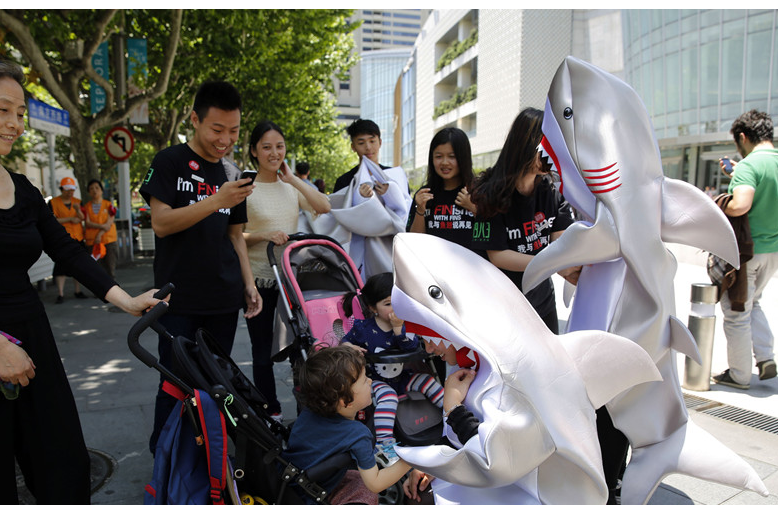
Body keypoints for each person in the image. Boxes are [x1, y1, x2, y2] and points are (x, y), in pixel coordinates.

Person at [0, 59, 165, 505]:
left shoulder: (24, 189)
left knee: (62, 461)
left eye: (19, 113)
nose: (14, 124)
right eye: (3, 111)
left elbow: (69, 252)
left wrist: (126, 300)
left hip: (31, 334)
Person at [140, 80, 261, 453]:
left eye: (234, 131)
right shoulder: (169, 162)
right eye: (217, 129)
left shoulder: (232, 171)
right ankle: (164, 461)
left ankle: (209, 459)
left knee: (217, 384)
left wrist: (248, 284)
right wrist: (215, 200)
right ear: (195, 120)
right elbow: (160, 222)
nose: (225, 139)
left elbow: (235, 236)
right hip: (178, 299)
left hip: (223, 299)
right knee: (175, 383)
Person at [243, 120, 331, 420]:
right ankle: (271, 412)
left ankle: (307, 411)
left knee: (302, 348)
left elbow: (324, 207)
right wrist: (264, 235)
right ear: (254, 151)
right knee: (262, 351)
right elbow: (234, 235)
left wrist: (292, 179)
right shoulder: (245, 188)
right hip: (260, 281)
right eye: (266, 147)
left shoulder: (291, 187)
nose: (274, 153)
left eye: (279, 146)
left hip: (292, 283)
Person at [470, 107, 579, 334]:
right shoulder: (487, 193)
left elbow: (560, 243)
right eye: (543, 147)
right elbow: (497, 256)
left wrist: (566, 266)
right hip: (503, 304)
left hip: (543, 300)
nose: (549, 154)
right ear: (524, 144)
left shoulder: (552, 190)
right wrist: (551, 263)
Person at [283, 345, 412, 505]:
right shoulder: (357, 435)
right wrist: (411, 461)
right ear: (345, 401)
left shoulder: (309, 412)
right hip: (308, 498)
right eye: (364, 380)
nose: (370, 381)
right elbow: (375, 483)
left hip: (287, 484)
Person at [339, 272, 444, 463]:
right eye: (388, 304)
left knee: (429, 382)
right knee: (388, 398)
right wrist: (349, 348)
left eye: (398, 302)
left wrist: (398, 329)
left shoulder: (406, 324)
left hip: (404, 376)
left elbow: (411, 347)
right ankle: (385, 444)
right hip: (376, 381)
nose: (395, 308)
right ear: (373, 308)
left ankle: (451, 417)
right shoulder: (363, 329)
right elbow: (344, 342)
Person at [712, 110, 778, 389]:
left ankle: (738, 374)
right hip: (772, 250)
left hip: (747, 252)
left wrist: (718, 203)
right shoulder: (768, 163)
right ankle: (765, 357)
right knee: (754, 302)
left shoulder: (750, 166)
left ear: (742, 137)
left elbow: (741, 205)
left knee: (736, 310)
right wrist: (737, 171)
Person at [403, 337, 479, 504]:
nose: (429, 350)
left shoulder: (501, 373)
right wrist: (432, 464)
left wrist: (454, 408)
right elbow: (455, 437)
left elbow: (490, 452)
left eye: (430, 339)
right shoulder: (459, 365)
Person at [406, 127, 479, 252]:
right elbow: (414, 243)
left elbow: (493, 238)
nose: (445, 162)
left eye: (452, 156)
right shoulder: (424, 194)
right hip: (433, 268)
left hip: (470, 268)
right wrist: (420, 211)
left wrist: (475, 209)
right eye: (439, 156)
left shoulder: (477, 192)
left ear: (463, 157)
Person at [48, 176, 87, 302]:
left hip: (77, 237)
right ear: (62, 189)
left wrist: (77, 210)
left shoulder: (77, 201)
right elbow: (51, 220)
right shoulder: (53, 202)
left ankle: (78, 290)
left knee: (79, 266)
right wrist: (69, 219)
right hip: (62, 238)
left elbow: (82, 218)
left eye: (72, 190)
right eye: (67, 190)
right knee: (60, 267)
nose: (70, 192)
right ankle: (61, 293)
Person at [333, 118, 390, 195]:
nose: (368, 147)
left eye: (372, 141)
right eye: (361, 143)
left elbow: (407, 204)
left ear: (380, 142)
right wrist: (358, 197)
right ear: (353, 147)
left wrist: (390, 195)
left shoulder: (393, 176)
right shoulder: (344, 181)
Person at [82, 179, 118, 279]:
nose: (94, 190)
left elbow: (109, 224)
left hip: (108, 241)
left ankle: (114, 292)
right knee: (96, 269)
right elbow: (88, 223)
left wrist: (99, 234)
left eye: (97, 188)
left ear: (102, 190)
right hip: (92, 243)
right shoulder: (86, 207)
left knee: (110, 268)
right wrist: (102, 226)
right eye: (91, 189)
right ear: (88, 192)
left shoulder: (109, 205)